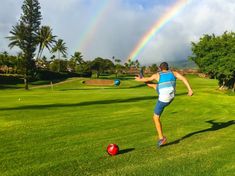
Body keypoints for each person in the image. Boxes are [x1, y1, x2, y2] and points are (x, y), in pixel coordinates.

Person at [135, 62, 193, 147]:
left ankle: (161, 138)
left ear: (160, 68)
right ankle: (144, 78)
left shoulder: (157, 75)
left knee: (155, 117)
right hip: (171, 97)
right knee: (153, 85)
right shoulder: (174, 73)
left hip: (163, 99)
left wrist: (139, 79)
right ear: (168, 67)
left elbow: (147, 79)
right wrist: (190, 90)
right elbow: (184, 78)